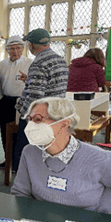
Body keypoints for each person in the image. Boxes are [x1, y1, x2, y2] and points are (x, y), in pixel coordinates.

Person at [11, 97, 111, 219]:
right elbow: (20, 192)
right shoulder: (29, 152)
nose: (31, 126)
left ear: (64, 124)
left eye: (38, 119)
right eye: (30, 119)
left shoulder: (98, 158)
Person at [14, 28, 69, 172]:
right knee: (49, 153)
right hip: (55, 115)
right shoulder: (61, 60)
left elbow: (35, 97)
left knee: (29, 154)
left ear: (31, 45)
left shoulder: (39, 63)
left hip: (39, 119)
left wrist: (23, 112)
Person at [0, 36, 33, 168]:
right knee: (5, 132)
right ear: (7, 50)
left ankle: (20, 163)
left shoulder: (29, 63)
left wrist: (27, 79)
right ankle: (8, 160)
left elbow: (34, 84)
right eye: (12, 48)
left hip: (22, 103)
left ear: (23, 49)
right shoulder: (2, 64)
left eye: (18, 48)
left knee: (20, 133)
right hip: (5, 102)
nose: (15, 51)